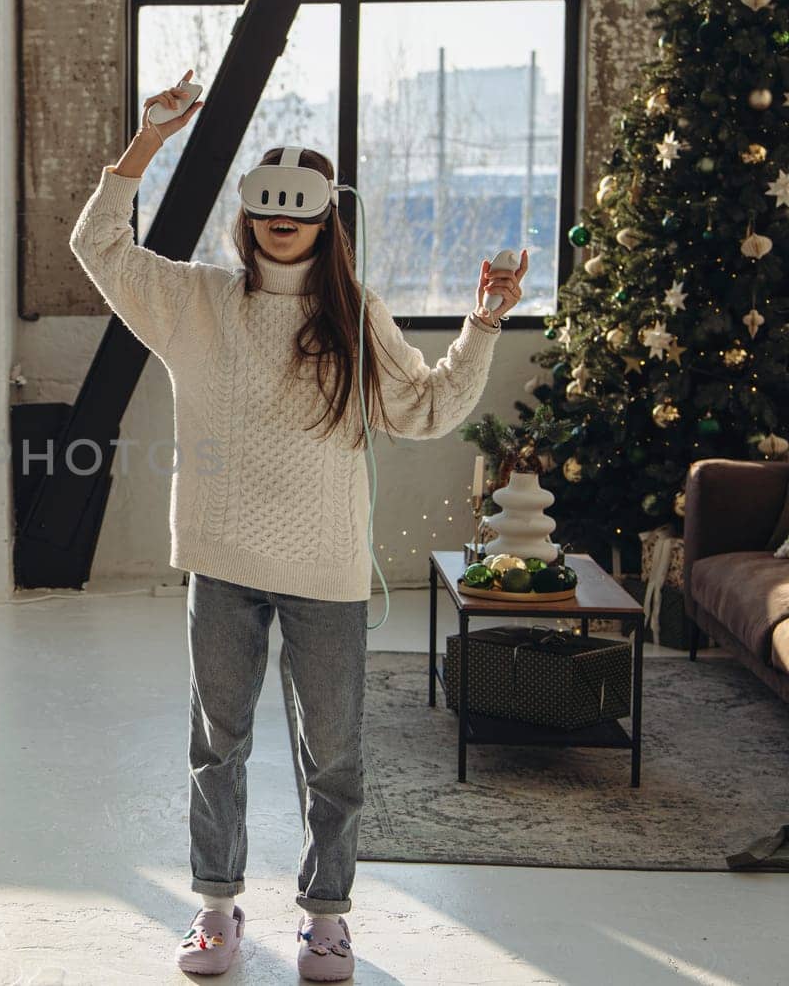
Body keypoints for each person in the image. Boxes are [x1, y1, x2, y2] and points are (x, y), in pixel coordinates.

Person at [67, 69, 525, 979]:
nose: (284, 221)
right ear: (250, 217)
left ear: (325, 220)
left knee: (335, 755)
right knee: (217, 744)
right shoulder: (196, 300)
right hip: (221, 561)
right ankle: (216, 911)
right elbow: (98, 245)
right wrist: (148, 141)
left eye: (302, 207)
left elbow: (426, 409)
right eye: (270, 206)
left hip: (325, 571)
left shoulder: (355, 316)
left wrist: (481, 324)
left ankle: (326, 919)